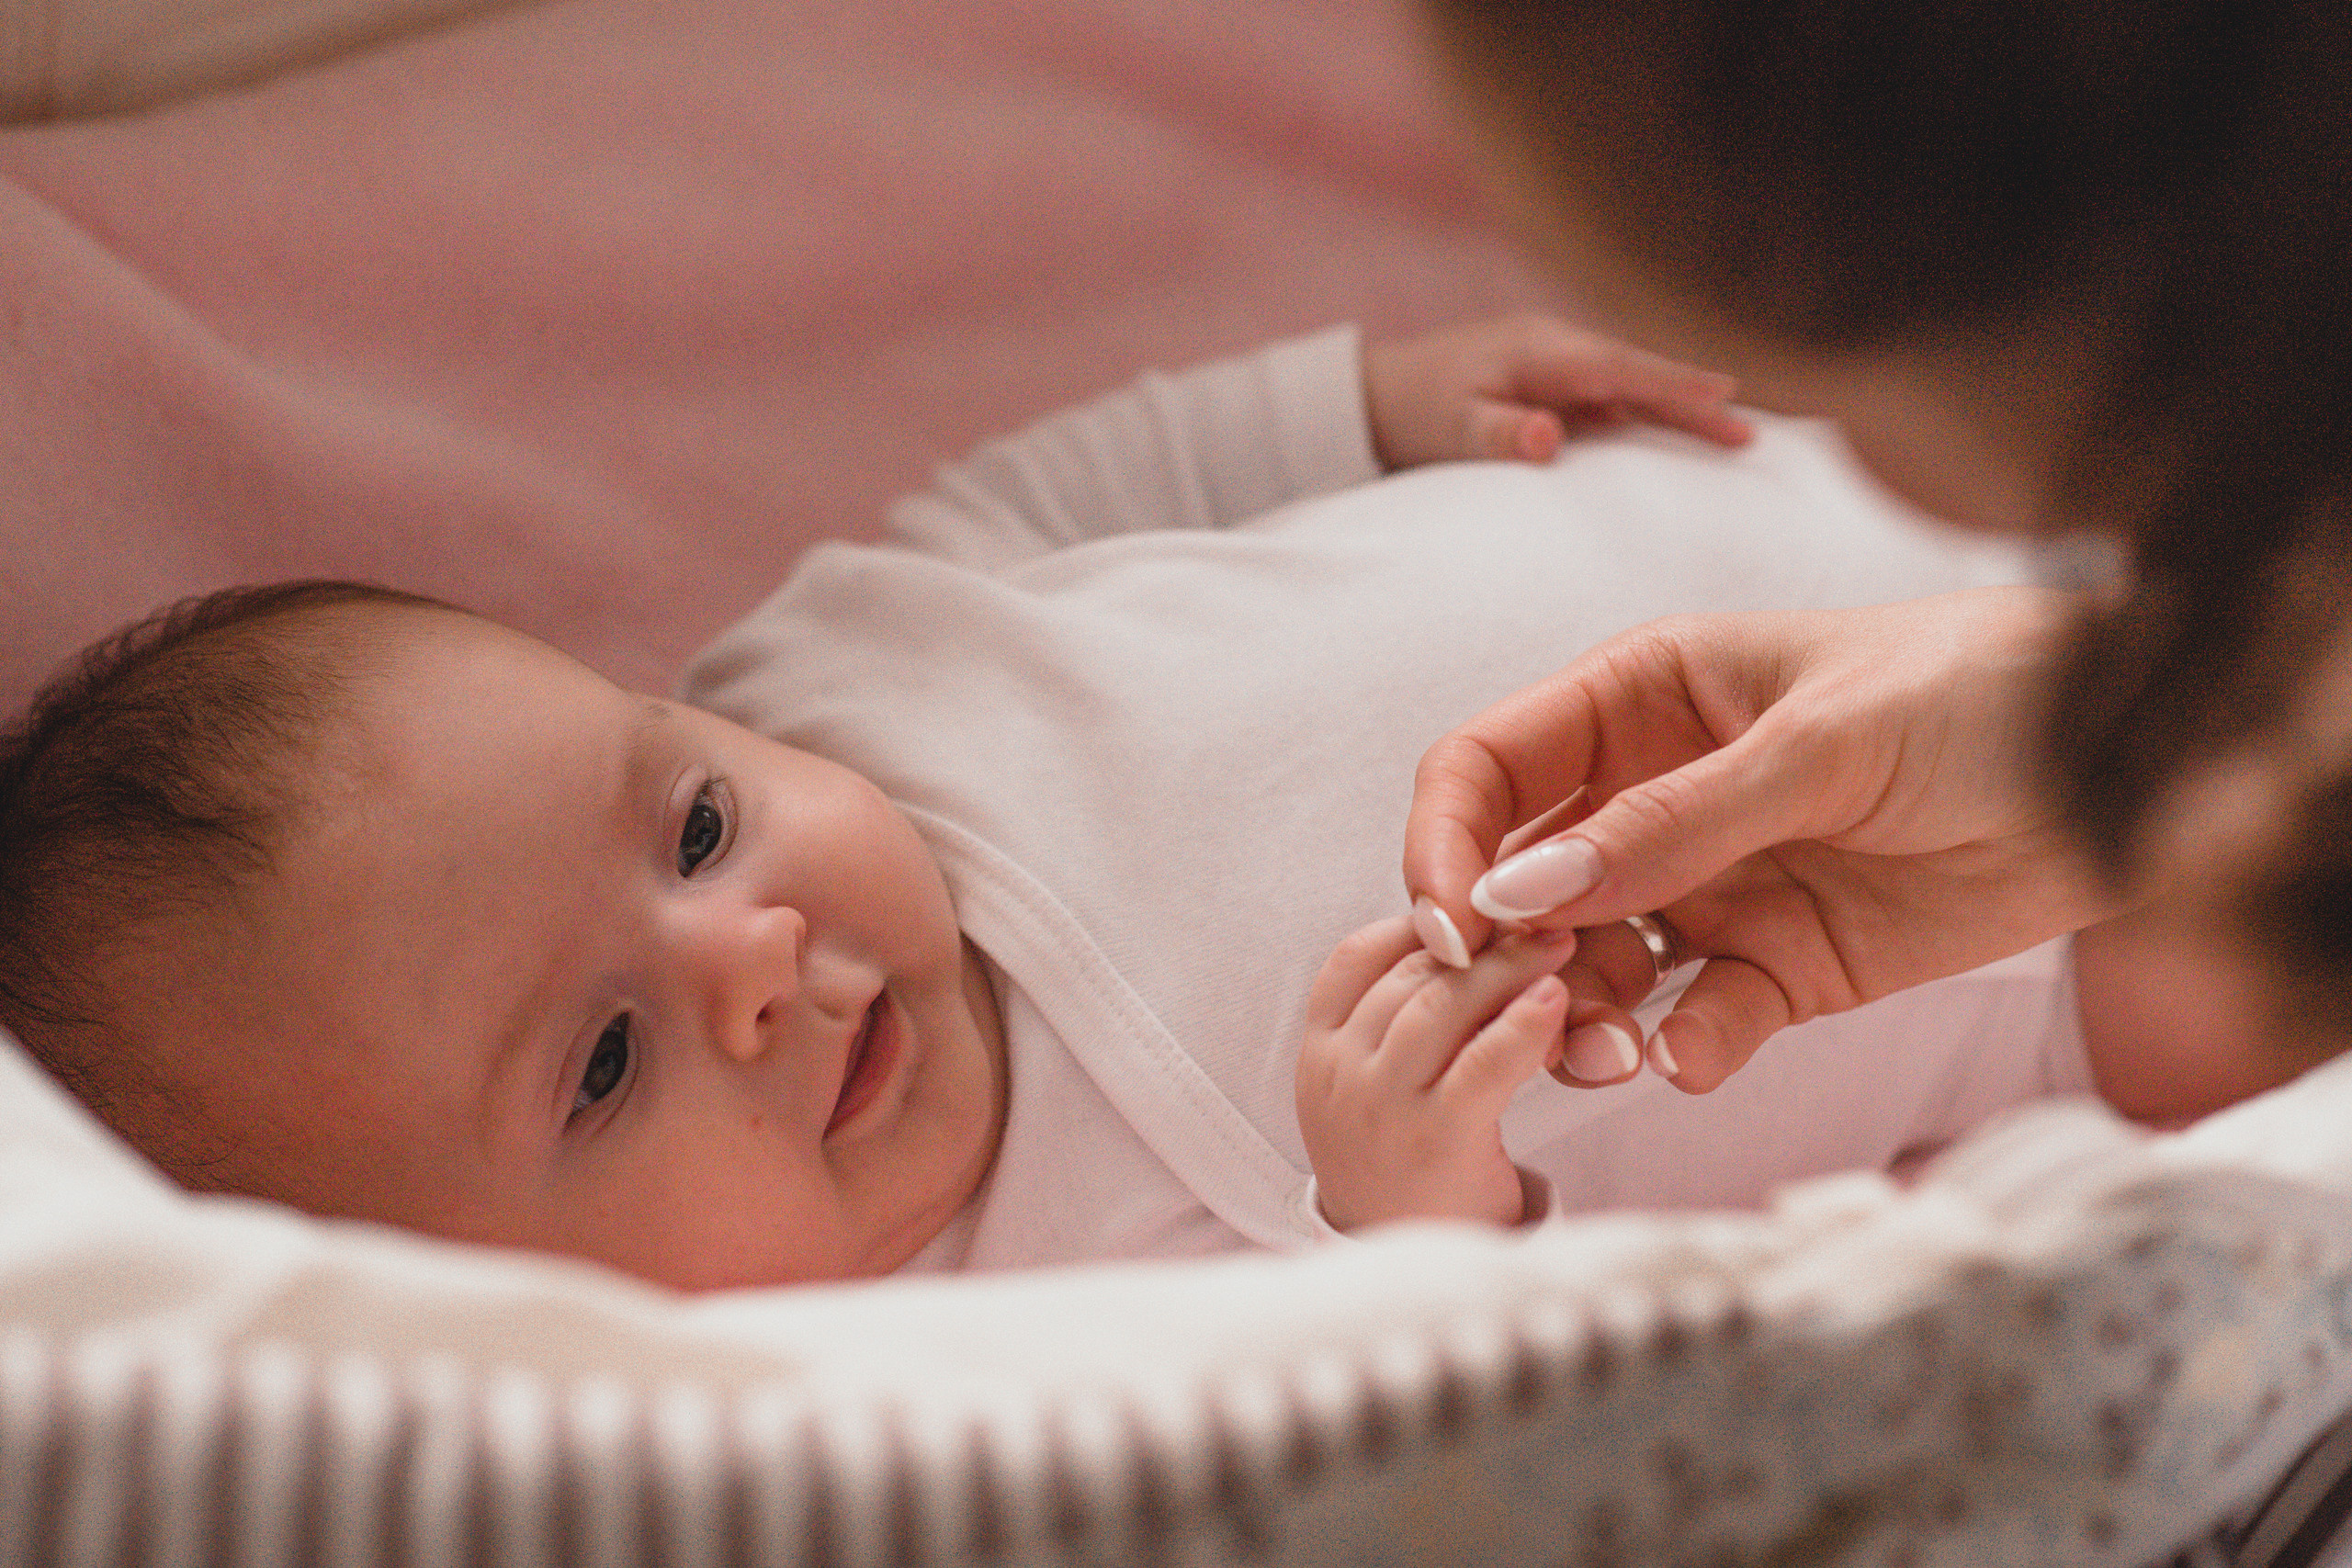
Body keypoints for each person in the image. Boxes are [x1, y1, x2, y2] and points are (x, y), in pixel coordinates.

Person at [0, 314, 2086, 1292]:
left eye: (694, 824)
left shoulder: (820, 676)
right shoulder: (983, 1346)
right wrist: (1412, 1226)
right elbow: (1375, 1436)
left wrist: (1346, 404)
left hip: (1848, 484)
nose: (750, 959)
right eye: (602, 1062)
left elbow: (1063, 493)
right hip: (2004, 959)